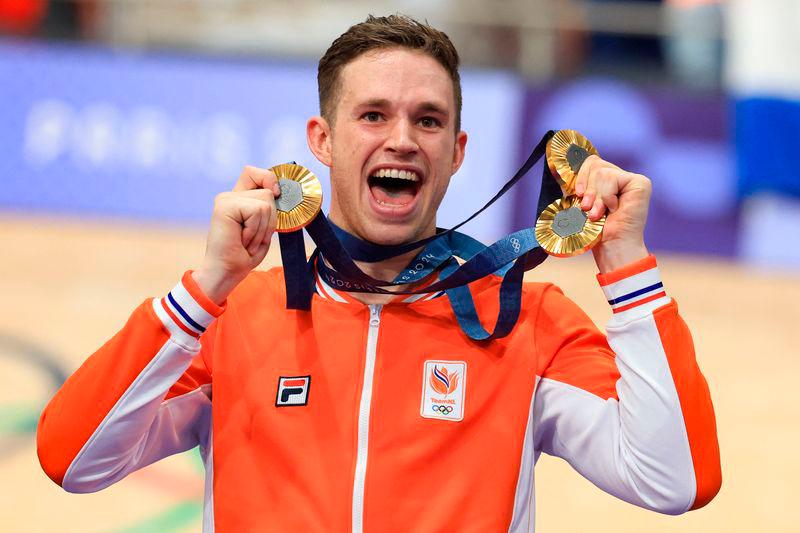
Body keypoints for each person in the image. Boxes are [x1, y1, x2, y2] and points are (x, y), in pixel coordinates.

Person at [36, 14, 721, 532]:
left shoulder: (528, 323)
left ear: (455, 153)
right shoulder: (232, 317)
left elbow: (676, 480)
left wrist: (626, 265)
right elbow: (74, 459)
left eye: (427, 121)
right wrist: (207, 286)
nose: (401, 139)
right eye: (373, 115)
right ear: (322, 141)